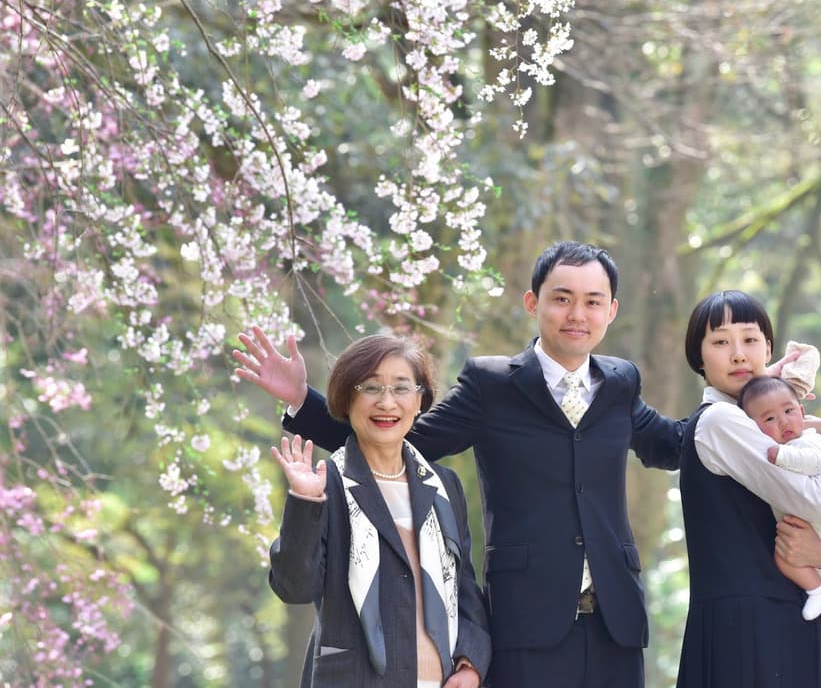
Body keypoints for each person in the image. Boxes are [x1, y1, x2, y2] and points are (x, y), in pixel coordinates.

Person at [234, 241, 684, 688]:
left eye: (593, 302)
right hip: (527, 624)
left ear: (612, 310)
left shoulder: (621, 383)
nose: (577, 315)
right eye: (562, 299)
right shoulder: (492, 385)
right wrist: (302, 401)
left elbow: (674, 445)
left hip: (616, 622)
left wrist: (744, 404)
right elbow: (399, 440)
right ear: (533, 302)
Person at [267, 333, 490, 688]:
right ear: (346, 399)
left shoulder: (443, 486)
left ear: (420, 400)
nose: (387, 403)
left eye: (402, 388)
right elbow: (294, 588)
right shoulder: (328, 483)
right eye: (370, 388)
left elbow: (463, 588)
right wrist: (304, 503)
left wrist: (470, 663)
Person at [676, 290, 821, 688]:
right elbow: (816, 497)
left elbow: (810, 521)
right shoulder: (720, 422)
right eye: (720, 342)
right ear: (698, 357)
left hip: (782, 619)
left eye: (750, 340)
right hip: (748, 632)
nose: (739, 354)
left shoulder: (760, 420)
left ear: (768, 348)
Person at [737, 370, 821, 627]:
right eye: (770, 418)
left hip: (819, 527)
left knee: (786, 557)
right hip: (803, 526)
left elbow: (816, 460)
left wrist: (781, 456)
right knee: (783, 558)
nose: (784, 423)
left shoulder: (809, 441)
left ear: (802, 411)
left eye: (789, 412)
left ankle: (820, 592)